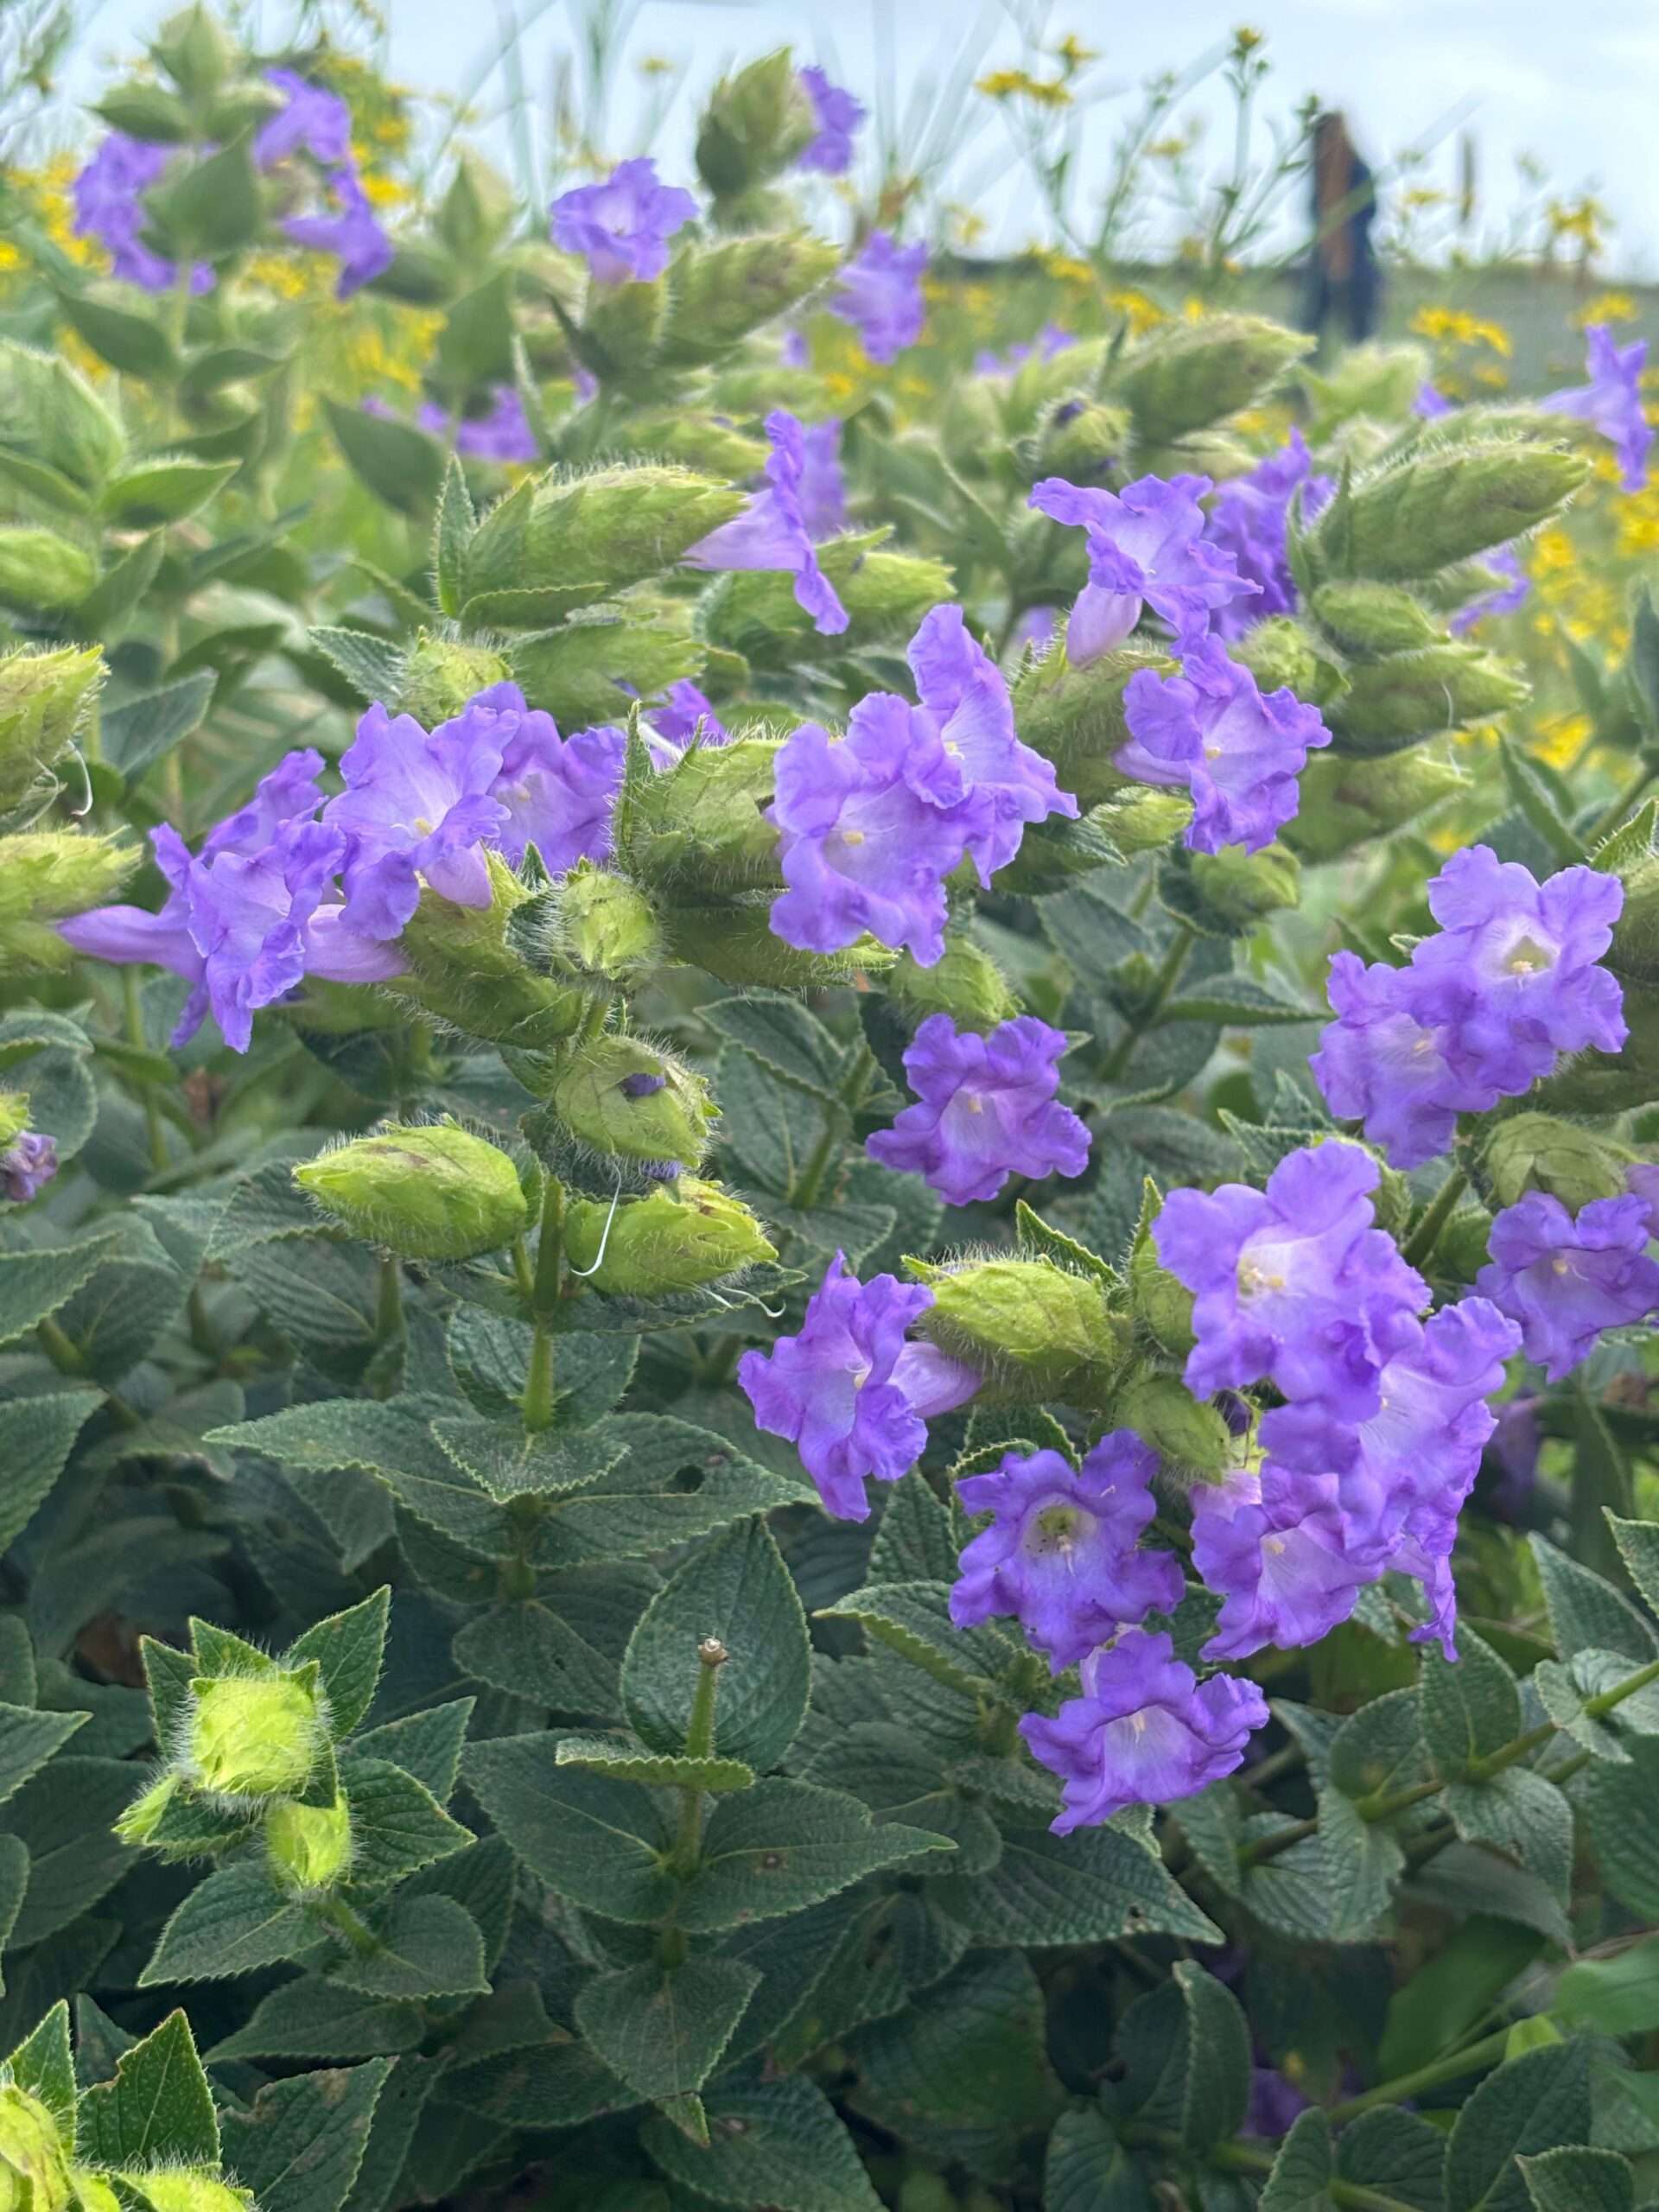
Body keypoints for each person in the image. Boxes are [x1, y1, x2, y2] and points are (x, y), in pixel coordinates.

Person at [1301, 111, 1380, 349]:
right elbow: (1313, 214)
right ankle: (1301, 380)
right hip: (1322, 262)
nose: (1330, 141)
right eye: (1324, 136)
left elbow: (1369, 211)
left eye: (1334, 134)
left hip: (1358, 259)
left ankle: (1368, 376)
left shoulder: (1359, 170)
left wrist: (1345, 244)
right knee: (1309, 331)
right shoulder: (1318, 174)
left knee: (1361, 336)